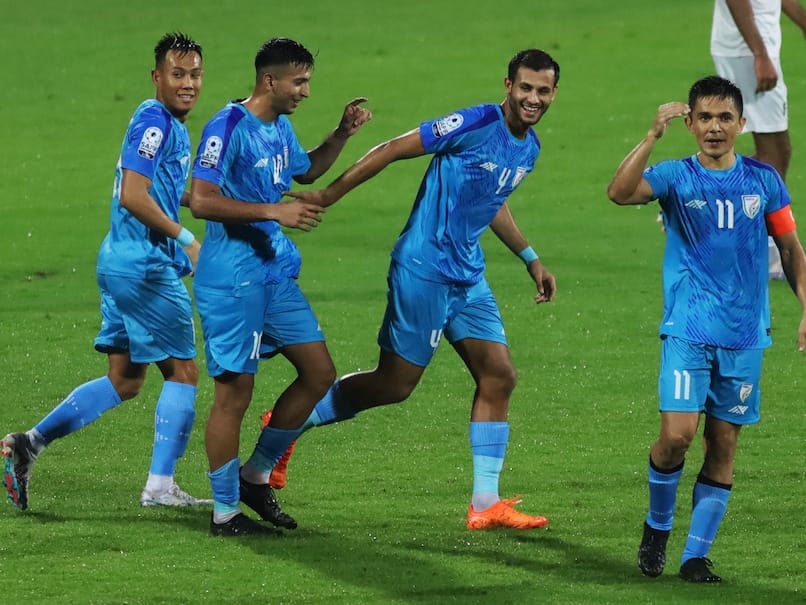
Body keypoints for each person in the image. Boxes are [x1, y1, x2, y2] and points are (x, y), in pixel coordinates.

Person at [262, 48, 560, 530]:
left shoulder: (529, 148)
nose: (532, 98)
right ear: (507, 85)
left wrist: (530, 257)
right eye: (525, 87)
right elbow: (394, 147)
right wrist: (329, 194)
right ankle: (290, 420)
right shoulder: (475, 122)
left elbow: (492, 200)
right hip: (423, 269)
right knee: (394, 385)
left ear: (553, 94)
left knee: (499, 374)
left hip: (467, 274)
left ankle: (485, 503)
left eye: (542, 91)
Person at [607, 76, 806, 582]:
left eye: (725, 118)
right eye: (705, 118)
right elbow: (620, 192)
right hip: (688, 328)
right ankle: (657, 526)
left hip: (744, 336)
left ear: (742, 124)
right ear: (690, 123)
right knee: (677, 436)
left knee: (724, 443)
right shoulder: (676, 175)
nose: (715, 128)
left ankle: (695, 556)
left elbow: (790, 250)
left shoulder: (764, 182)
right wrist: (651, 135)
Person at [2, 32, 211, 510]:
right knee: (183, 372)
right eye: (178, 74)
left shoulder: (164, 125)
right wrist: (188, 240)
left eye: (195, 74)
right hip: (145, 267)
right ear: (158, 77)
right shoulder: (156, 124)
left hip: (118, 263)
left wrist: (226, 205)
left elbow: (160, 189)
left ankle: (28, 443)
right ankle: (160, 486)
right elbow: (133, 196)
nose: (188, 83)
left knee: (125, 379)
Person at [189, 37, 371, 537]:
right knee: (234, 396)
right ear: (270, 80)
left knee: (318, 373)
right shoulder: (226, 127)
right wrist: (275, 210)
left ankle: (255, 475)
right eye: (300, 81)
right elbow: (200, 200)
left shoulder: (281, 127)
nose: (306, 91)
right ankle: (225, 513)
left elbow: (305, 169)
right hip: (233, 280)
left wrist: (340, 134)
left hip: (274, 276)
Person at [711, 0, 806, 278]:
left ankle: (693, 199)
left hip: (750, 48)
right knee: (775, 152)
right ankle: (765, 249)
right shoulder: (754, 51)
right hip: (747, 51)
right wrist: (759, 54)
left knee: (775, 152)